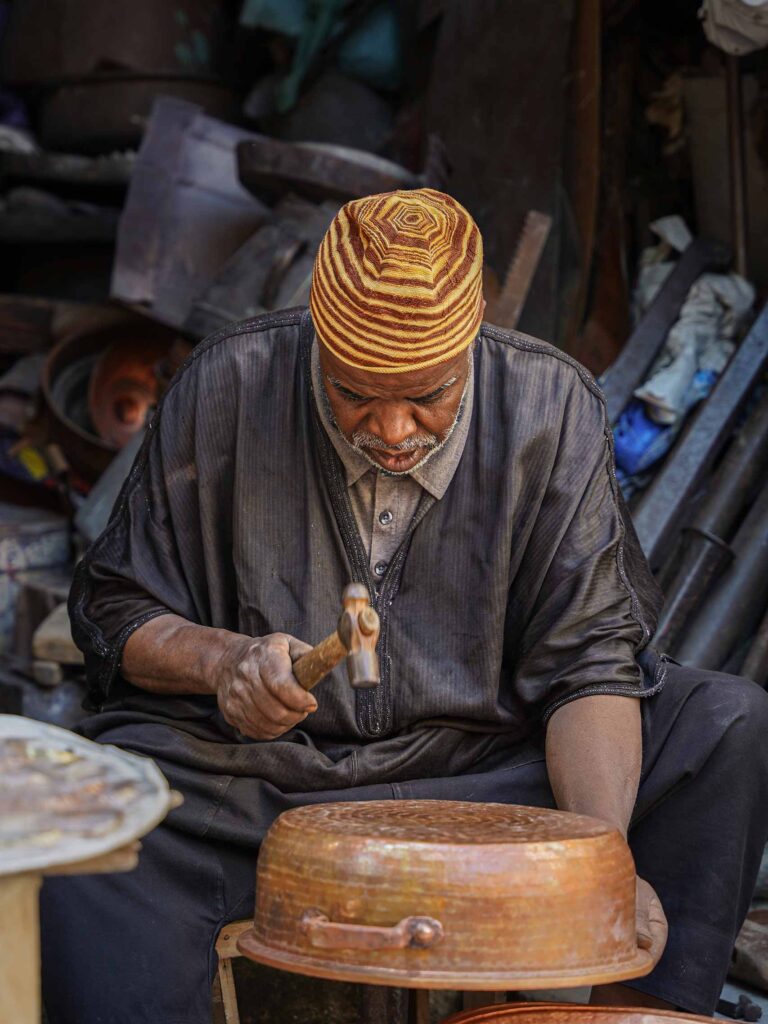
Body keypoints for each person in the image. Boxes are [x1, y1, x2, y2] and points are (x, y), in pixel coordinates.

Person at [42, 188, 768, 1024]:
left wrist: (596, 858)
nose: (391, 429)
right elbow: (114, 605)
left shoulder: (550, 405)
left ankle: (617, 1018)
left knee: (724, 723)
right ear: (316, 340)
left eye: (426, 394)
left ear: (471, 345)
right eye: (355, 394)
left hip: (482, 771)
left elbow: (591, 661)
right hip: (263, 785)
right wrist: (223, 661)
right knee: (85, 845)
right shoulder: (230, 381)